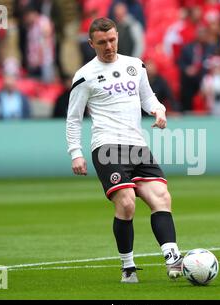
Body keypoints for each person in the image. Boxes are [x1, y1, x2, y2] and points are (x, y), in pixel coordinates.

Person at [66, 18, 183, 283]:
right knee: (127, 203)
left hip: (137, 145)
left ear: (118, 36)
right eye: (102, 42)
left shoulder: (135, 65)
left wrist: (159, 109)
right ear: (91, 43)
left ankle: (172, 257)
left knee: (162, 196)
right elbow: (74, 118)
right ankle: (128, 267)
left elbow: (147, 97)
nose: (108, 46)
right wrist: (75, 152)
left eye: (112, 40)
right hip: (106, 146)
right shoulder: (84, 75)